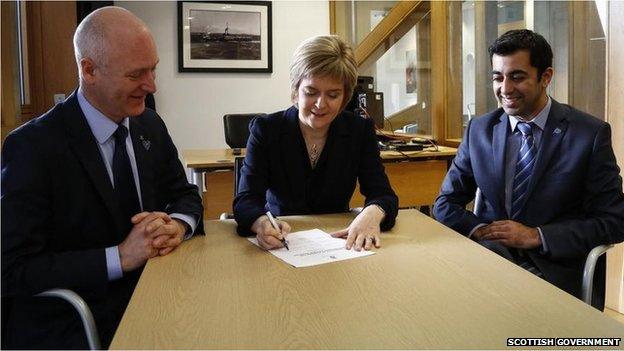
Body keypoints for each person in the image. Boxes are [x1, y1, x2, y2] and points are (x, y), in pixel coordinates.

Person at [1, 7, 203, 349]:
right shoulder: (32, 147)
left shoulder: (149, 125)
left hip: (158, 294)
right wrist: (120, 256)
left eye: (153, 70)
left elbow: (186, 195)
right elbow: (12, 269)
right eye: (136, 74)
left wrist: (178, 225)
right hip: (79, 316)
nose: (151, 85)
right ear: (89, 70)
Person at [433, 29, 624, 310]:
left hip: (552, 270)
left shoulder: (588, 135)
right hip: (487, 259)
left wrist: (536, 236)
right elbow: (444, 204)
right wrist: (481, 230)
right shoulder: (480, 130)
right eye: (498, 77)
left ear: (546, 77)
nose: (505, 89)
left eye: (517, 77)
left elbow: (614, 221)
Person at [233, 35, 398, 251]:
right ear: (295, 91)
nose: (320, 104)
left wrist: (372, 212)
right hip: (283, 242)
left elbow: (383, 194)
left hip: (338, 244)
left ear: (345, 96)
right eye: (311, 92)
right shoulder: (266, 129)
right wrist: (261, 223)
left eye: (333, 94)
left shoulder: (359, 130)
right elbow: (246, 200)